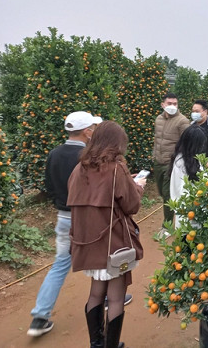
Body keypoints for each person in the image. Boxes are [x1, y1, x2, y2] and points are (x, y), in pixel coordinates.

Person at [27, 111, 107, 337]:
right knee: (101, 256)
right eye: (92, 127)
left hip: (63, 216)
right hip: (86, 218)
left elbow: (49, 186)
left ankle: (40, 317)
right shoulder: (89, 155)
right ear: (87, 132)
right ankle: (111, 298)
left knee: (60, 264)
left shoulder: (54, 153)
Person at [67, 121, 146, 348]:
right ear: (116, 143)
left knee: (95, 292)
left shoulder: (79, 168)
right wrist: (137, 185)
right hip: (113, 242)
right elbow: (131, 205)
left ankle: (96, 343)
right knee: (115, 296)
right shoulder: (116, 168)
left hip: (87, 241)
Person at [153, 93, 190, 230]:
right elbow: (157, 140)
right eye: (169, 103)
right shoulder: (158, 119)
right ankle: (172, 216)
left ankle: (167, 227)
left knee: (168, 195)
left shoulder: (182, 121)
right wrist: (154, 156)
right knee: (162, 193)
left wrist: (181, 163)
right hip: (158, 161)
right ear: (163, 105)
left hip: (172, 164)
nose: (172, 106)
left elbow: (187, 144)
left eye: (175, 104)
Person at [168, 124, 208, 228]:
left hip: (196, 214)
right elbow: (182, 191)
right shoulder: (180, 163)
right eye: (200, 144)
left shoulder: (191, 158)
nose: (202, 147)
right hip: (188, 217)